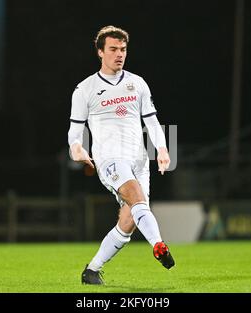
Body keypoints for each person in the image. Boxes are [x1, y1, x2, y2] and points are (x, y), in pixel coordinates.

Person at [67, 26, 175, 285]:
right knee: (138, 199)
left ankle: (91, 270)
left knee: (129, 220)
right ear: (100, 52)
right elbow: (74, 132)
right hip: (109, 160)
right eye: (113, 49)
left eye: (123, 49)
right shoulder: (85, 89)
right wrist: (77, 148)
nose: (119, 54)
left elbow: (151, 120)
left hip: (139, 160)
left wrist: (161, 148)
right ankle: (159, 245)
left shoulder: (137, 83)